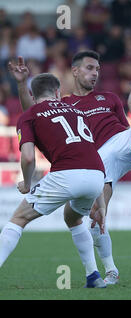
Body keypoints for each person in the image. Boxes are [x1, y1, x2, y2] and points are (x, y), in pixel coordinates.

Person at [8, 51, 131, 285]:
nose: (95, 74)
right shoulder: (63, 104)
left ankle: (108, 271)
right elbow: (33, 112)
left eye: (97, 70)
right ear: (75, 71)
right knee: (80, 216)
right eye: (90, 68)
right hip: (91, 163)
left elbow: (128, 136)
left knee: (91, 213)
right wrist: (23, 85)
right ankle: (106, 271)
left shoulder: (111, 98)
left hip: (107, 159)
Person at [0, 73, 106, 288]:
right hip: (96, 175)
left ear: (32, 94)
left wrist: (27, 184)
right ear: (57, 92)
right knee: (73, 218)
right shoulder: (77, 111)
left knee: (18, 219)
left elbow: (28, 157)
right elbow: (89, 152)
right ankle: (94, 276)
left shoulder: (29, 115)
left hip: (66, 174)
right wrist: (101, 203)